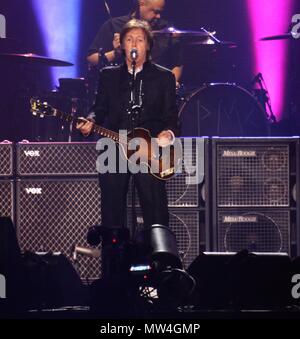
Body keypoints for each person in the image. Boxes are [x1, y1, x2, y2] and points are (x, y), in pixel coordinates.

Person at [77, 19, 180, 235]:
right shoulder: (109, 76)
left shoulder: (164, 77)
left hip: (150, 151)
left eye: (140, 40)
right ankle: (114, 262)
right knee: (112, 213)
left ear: (148, 45)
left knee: (156, 214)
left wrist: (166, 135)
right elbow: (99, 109)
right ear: (122, 44)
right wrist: (91, 121)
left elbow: (172, 119)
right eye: (129, 39)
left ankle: (159, 260)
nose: (134, 44)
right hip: (115, 147)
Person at [87, 0, 183, 84]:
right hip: (120, 90)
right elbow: (91, 59)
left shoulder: (166, 29)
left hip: (157, 92)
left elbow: (177, 63)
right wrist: (115, 53)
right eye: (155, 12)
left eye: (160, 12)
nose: (158, 16)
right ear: (141, 3)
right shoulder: (115, 25)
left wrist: (171, 82)